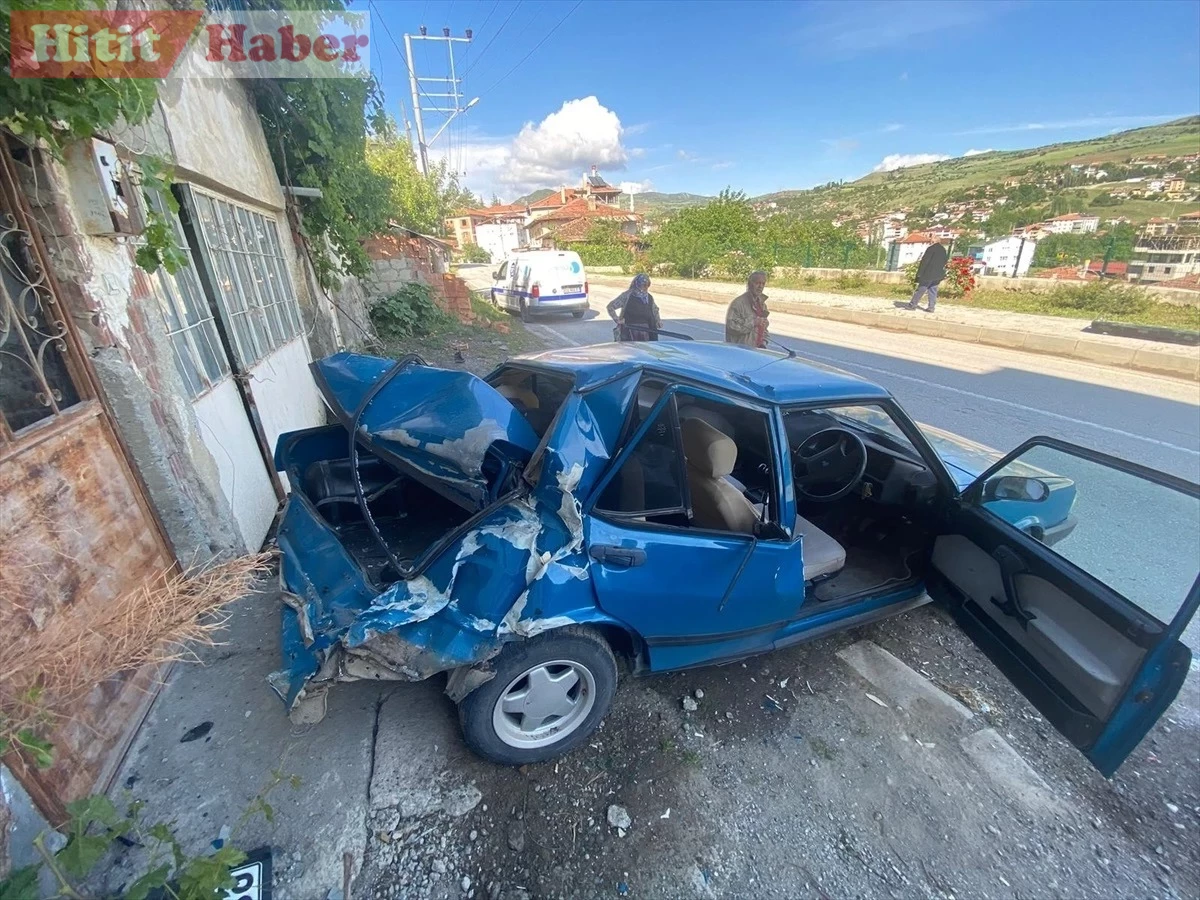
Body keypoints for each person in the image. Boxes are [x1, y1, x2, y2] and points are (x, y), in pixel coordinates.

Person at [607, 273, 661, 341]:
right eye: (642, 285)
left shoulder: (649, 297)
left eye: (646, 285)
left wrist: (658, 320)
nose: (644, 287)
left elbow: (655, 310)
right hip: (629, 332)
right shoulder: (627, 296)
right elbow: (610, 306)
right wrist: (617, 320)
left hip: (646, 333)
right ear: (636, 284)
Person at [725, 270, 770, 348]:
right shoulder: (738, 303)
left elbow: (764, 328)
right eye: (757, 283)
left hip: (757, 351)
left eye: (763, 284)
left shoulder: (762, 305)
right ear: (750, 284)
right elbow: (732, 327)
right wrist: (753, 322)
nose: (760, 286)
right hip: (740, 351)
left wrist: (764, 342)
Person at [904, 240, 948, 312]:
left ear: (934, 241)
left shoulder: (931, 249)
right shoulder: (943, 249)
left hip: (928, 274)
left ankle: (912, 305)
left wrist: (919, 273)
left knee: (921, 289)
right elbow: (945, 261)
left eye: (931, 241)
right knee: (933, 290)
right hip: (938, 274)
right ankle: (931, 307)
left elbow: (925, 261)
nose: (930, 242)